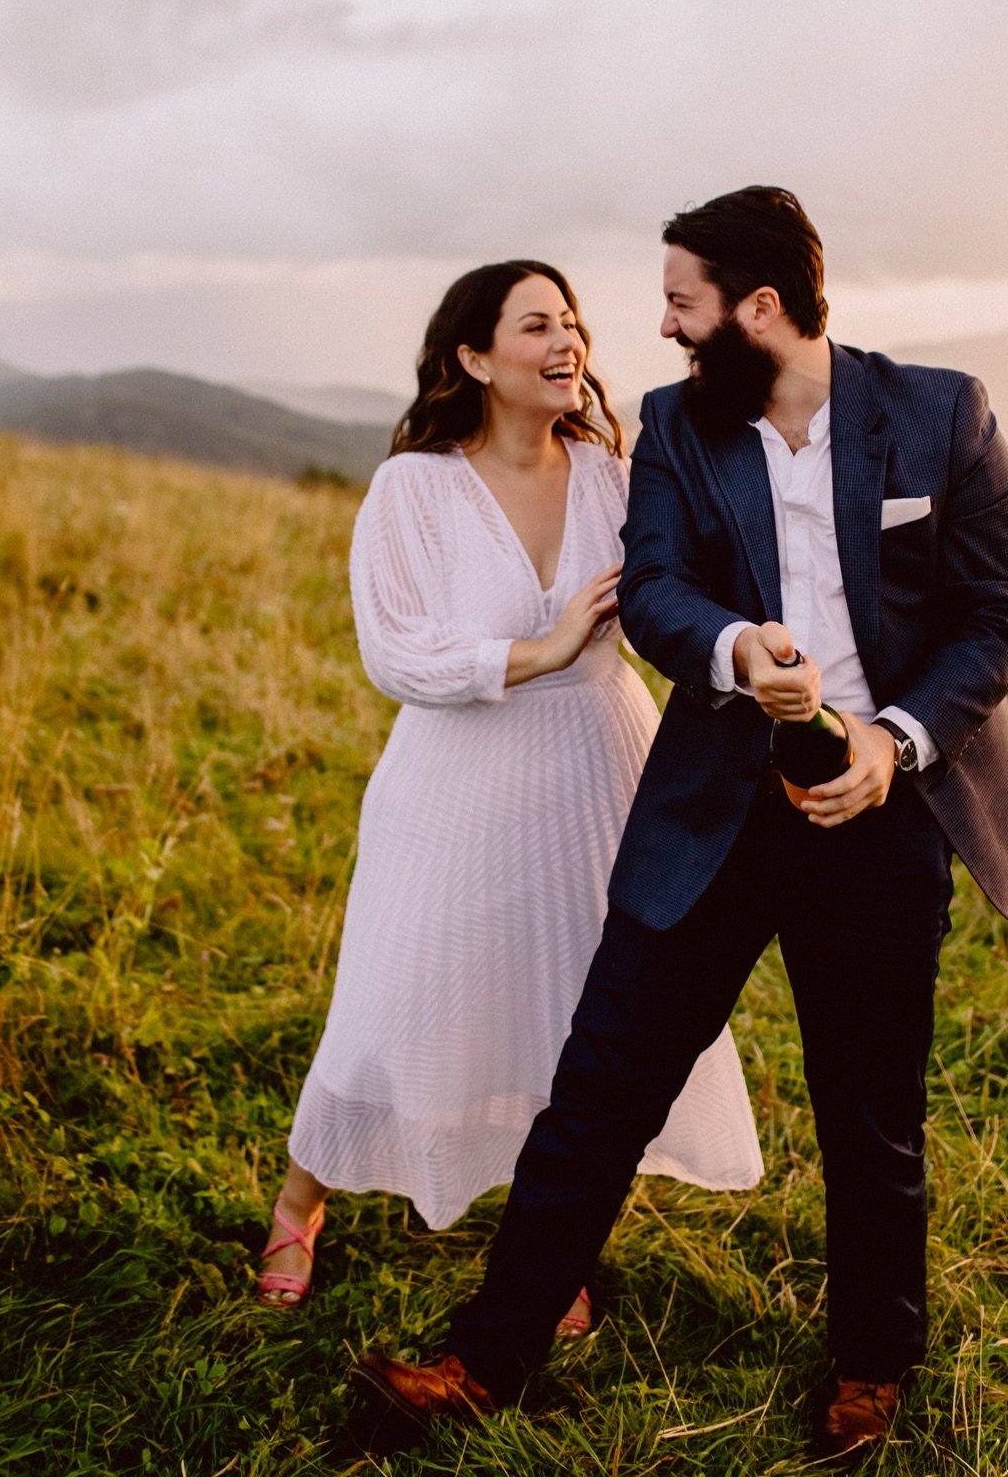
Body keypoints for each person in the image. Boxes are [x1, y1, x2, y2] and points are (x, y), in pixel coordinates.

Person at [355, 191, 1008, 1463]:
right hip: (714, 810)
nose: (662, 328)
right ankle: (484, 1359)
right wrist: (732, 649)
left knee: (870, 1112)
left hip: (882, 812)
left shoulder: (943, 413)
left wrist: (892, 742)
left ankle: (871, 1365)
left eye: (682, 304)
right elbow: (659, 590)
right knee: (599, 1087)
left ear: (758, 308)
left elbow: (999, 617)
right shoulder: (677, 427)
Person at [257, 260, 762, 1316]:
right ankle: (301, 1201)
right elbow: (398, 653)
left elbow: (670, 606)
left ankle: (549, 1246)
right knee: (398, 999)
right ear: (475, 358)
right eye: (536, 325)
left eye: (571, 320)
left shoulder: (614, 476)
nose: (566, 340)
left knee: (577, 1009)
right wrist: (542, 648)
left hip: (598, 773)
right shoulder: (415, 488)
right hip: (454, 785)